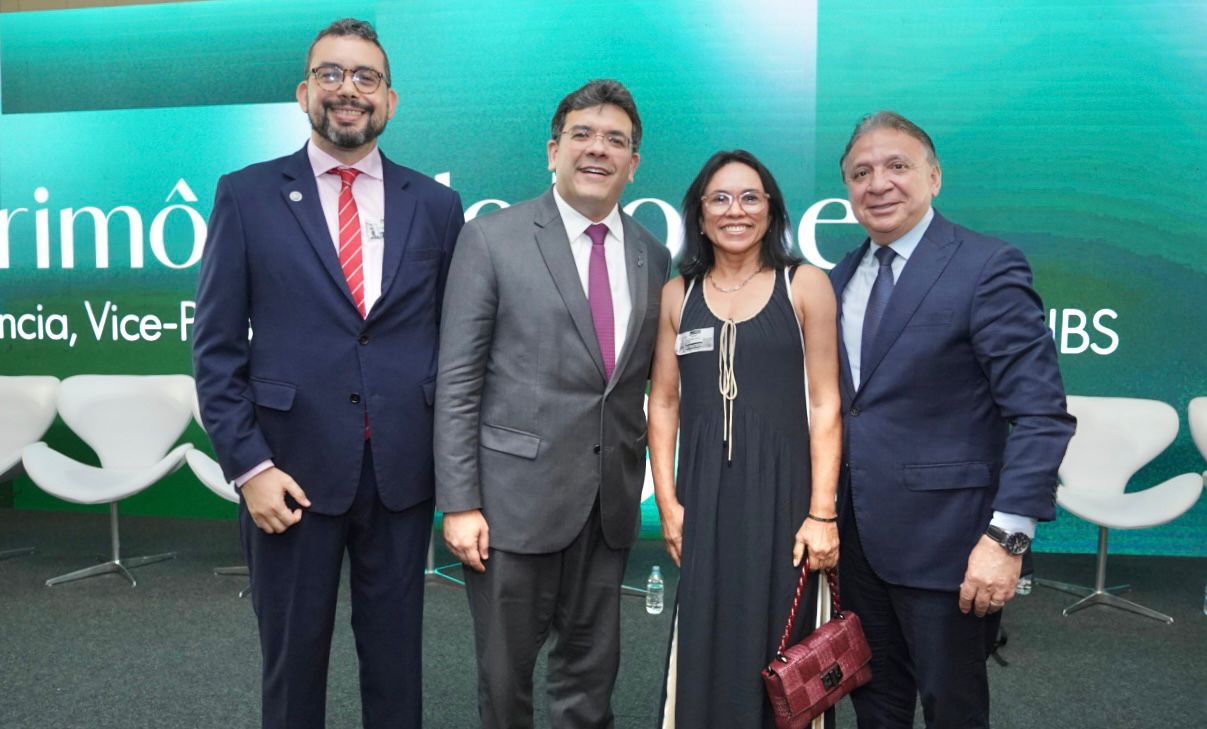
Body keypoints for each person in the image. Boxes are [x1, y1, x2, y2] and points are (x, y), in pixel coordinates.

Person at [192, 18, 464, 729]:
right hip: (289, 474)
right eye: (331, 74)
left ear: (390, 100)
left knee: (397, 666)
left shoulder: (435, 206)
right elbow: (216, 349)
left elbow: (456, 344)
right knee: (292, 665)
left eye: (365, 77)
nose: (348, 90)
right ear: (304, 91)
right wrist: (250, 468)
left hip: (401, 474)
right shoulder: (246, 194)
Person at [433, 79, 671, 729]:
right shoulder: (491, 239)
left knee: (590, 681)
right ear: (552, 150)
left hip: (608, 507)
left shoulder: (652, 256)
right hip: (510, 507)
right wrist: (459, 502)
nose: (597, 149)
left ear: (633, 163)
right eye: (582, 134)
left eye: (615, 140)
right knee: (504, 682)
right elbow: (457, 381)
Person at [829, 111, 1075, 728]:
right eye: (861, 173)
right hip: (856, 545)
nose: (878, 183)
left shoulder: (986, 266)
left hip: (952, 547)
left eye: (897, 166)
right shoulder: (836, 279)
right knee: (875, 705)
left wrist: (1007, 538)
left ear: (934, 177)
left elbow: (1041, 414)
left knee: (953, 709)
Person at [647, 150, 843, 729]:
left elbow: (826, 403)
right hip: (704, 499)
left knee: (785, 647)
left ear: (772, 211)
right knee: (706, 632)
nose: (736, 210)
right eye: (721, 199)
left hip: (787, 503)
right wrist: (668, 504)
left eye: (750, 197)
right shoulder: (677, 294)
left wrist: (823, 513)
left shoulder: (804, 284)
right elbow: (663, 402)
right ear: (700, 215)